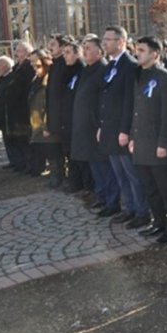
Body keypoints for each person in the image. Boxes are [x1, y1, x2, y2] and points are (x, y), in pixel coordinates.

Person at [128, 36, 167, 242]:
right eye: (136, 50)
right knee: (150, 188)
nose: (136, 53)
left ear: (155, 54)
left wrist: (164, 143)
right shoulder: (139, 75)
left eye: (141, 50)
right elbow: (136, 110)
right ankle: (158, 222)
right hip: (141, 142)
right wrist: (132, 136)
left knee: (166, 189)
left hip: (157, 144)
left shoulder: (165, 77)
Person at [98, 26, 150, 228]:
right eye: (104, 39)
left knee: (132, 174)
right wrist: (102, 125)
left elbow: (130, 101)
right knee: (119, 174)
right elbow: (106, 97)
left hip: (122, 130)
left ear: (121, 42)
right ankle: (128, 208)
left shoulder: (129, 65)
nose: (104, 43)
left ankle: (142, 211)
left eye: (108, 39)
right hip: (110, 128)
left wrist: (125, 131)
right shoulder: (111, 65)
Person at [72, 36, 119, 215]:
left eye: (89, 48)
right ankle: (102, 197)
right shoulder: (87, 69)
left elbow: (103, 100)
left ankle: (112, 201)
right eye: (84, 47)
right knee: (96, 167)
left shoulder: (103, 70)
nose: (85, 51)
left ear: (100, 52)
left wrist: (99, 124)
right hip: (85, 129)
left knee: (105, 167)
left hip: (97, 128)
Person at [28, 49, 62, 187]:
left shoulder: (49, 79)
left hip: (47, 121)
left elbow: (51, 104)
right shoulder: (36, 78)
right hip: (37, 121)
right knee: (46, 150)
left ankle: (57, 176)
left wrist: (48, 124)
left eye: (36, 64)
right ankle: (54, 175)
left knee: (53, 151)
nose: (33, 67)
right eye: (31, 64)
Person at [60, 40, 89, 194]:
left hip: (78, 121)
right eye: (64, 53)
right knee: (70, 154)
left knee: (80, 157)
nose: (65, 56)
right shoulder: (68, 71)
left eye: (68, 52)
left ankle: (85, 186)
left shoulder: (81, 70)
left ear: (78, 54)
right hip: (68, 121)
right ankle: (75, 183)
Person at [4, 41, 35, 174]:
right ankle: (21, 163)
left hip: (23, 109)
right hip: (15, 110)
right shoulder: (17, 67)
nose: (16, 53)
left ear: (27, 53)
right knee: (18, 139)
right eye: (16, 51)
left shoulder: (29, 68)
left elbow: (26, 88)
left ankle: (30, 165)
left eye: (19, 51)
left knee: (25, 139)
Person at [45, 33, 71, 187]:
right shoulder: (54, 64)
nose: (50, 48)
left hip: (62, 114)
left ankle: (65, 176)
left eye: (53, 45)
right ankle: (58, 174)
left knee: (65, 148)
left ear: (62, 47)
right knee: (54, 147)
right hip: (53, 112)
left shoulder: (64, 65)